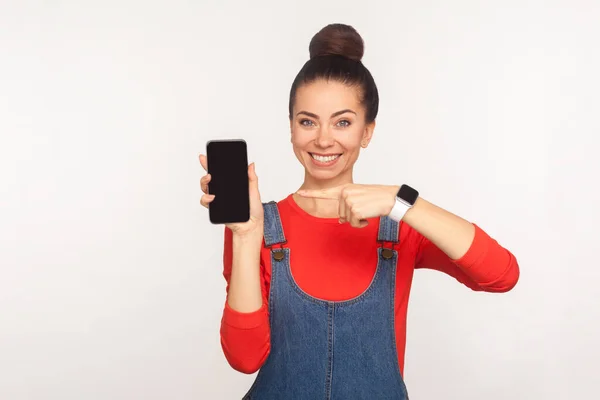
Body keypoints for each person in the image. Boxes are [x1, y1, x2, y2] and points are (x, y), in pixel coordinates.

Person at [199, 23, 519, 400]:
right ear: (290, 128)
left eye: (343, 122)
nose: (322, 139)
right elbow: (244, 358)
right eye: (307, 121)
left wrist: (402, 200)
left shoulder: (398, 225)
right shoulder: (258, 226)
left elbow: (501, 275)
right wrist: (246, 235)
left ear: (367, 132)